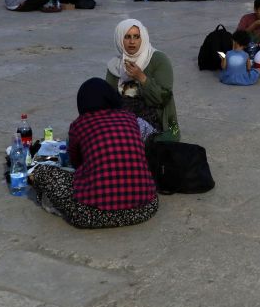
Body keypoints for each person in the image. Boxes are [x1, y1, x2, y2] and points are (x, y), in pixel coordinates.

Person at [27, 77, 158, 229]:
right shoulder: (130, 118)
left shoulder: (79, 124)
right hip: (145, 209)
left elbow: (76, 163)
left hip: (91, 215)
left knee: (43, 172)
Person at [105, 19, 179, 141]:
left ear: (142, 38)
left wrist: (141, 77)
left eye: (136, 37)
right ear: (119, 40)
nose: (132, 41)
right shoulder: (115, 65)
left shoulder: (159, 59)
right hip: (122, 118)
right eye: (127, 37)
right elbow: (108, 100)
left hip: (154, 121)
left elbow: (164, 98)